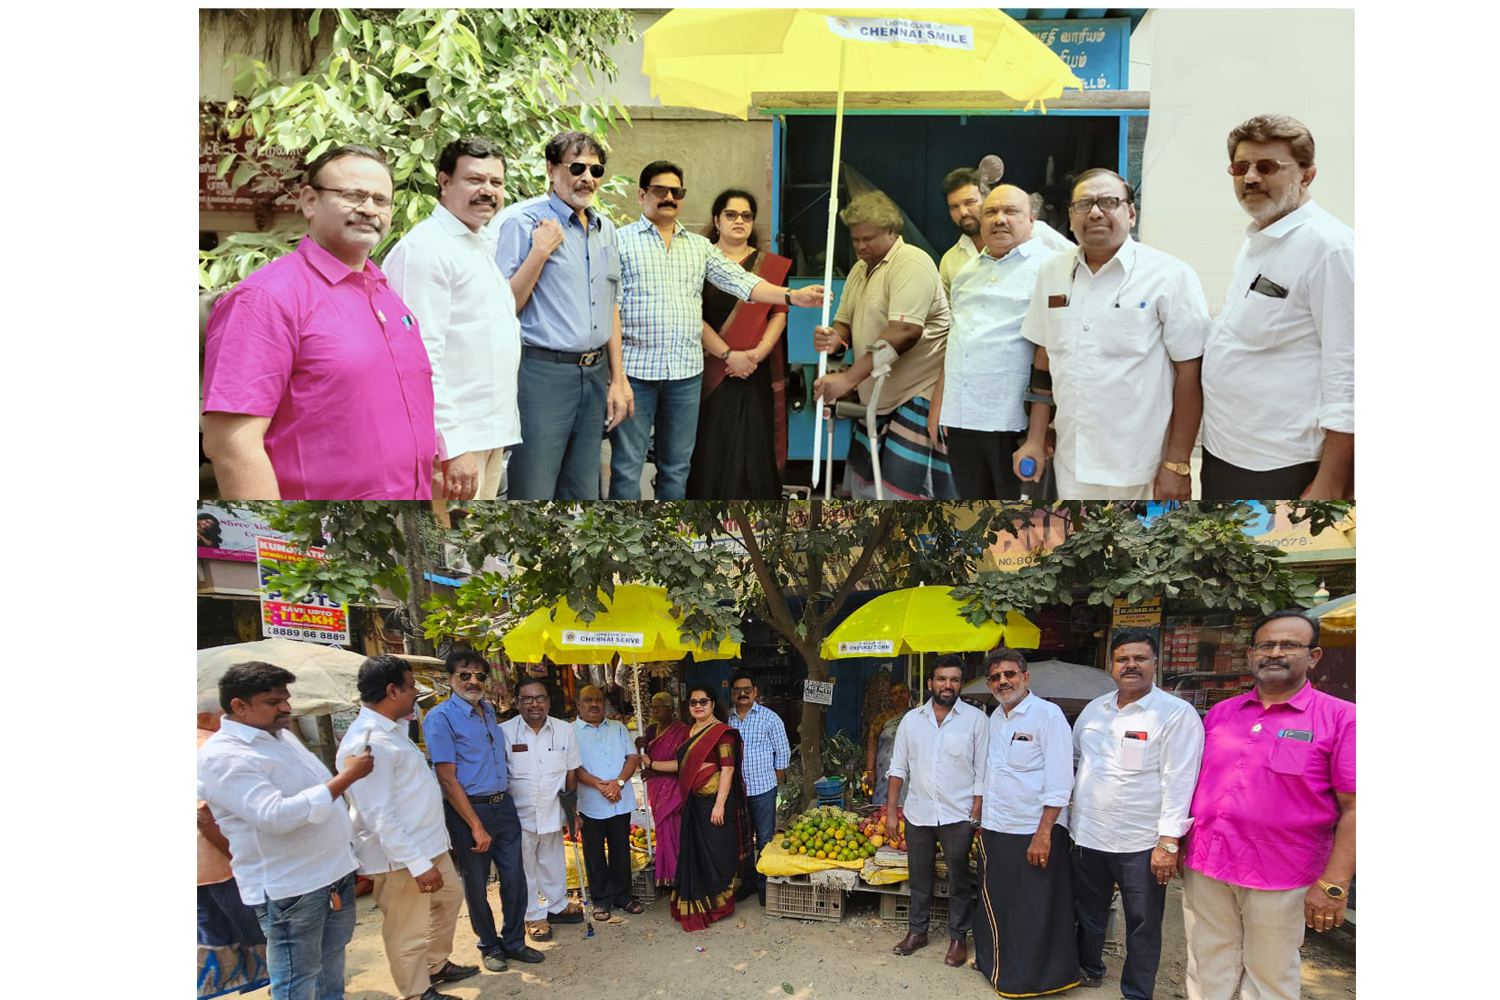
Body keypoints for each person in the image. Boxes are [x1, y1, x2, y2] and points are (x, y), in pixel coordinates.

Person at [202, 144, 439, 500]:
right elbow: (232, 446)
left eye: (381, 200)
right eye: (353, 195)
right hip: (314, 536)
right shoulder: (266, 299)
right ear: (310, 201)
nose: (369, 209)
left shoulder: (386, 295)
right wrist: (278, 543)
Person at [609, 162, 824, 500]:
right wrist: (616, 376)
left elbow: (742, 282)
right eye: (659, 191)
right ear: (641, 195)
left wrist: (791, 296)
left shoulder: (698, 247)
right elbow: (610, 309)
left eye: (676, 192)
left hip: (684, 374)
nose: (668, 197)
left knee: (677, 467)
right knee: (627, 466)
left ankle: (673, 542)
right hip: (637, 373)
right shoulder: (618, 242)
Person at [1182, 610, 1355, 1000]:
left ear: (1313, 657)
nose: (1275, 653)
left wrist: (1334, 885)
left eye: (1290, 645)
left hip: (1282, 873)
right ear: (1251, 654)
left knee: (1270, 976)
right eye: (1266, 645)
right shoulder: (1223, 714)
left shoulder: (1341, 719)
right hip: (1208, 863)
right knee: (1207, 963)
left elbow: (1357, 809)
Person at [1015, 168, 1210, 501]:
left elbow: (1190, 374)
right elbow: (1044, 360)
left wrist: (1177, 464)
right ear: (1071, 218)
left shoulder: (1170, 275)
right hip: (1071, 462)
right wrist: (1035, 438)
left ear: (1130, 213)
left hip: (1142, 468)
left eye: (1108, 202)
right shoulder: (1052, 272)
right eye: (1083, 204)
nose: (1095, 212)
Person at [196, 662, 374, 1000]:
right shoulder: (223, 756)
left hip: (331, 874)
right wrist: (348, 777)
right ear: (239, 705)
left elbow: (312, 795)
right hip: (292, 887)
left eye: (286, 698)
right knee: (297, 979)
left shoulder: (281, 736)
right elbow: (275, 816)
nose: (285, 707)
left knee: (330, 965)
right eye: (273, 701)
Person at [1200, 114, 1354, 501]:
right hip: (1226, 454)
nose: (1251, 177)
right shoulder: (1262, 238)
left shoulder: (1330, 248)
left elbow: (1350, 368)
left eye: (1267, 167)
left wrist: (1331, 481)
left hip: (1285, 467)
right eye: (1241, 167)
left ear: (1307, 175)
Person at [493, 130, 633, 500]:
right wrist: (539, 253)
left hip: (594, 373)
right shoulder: (523, 223)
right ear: (552, 170)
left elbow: (610, 305)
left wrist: (618, 380)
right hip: (542, 374)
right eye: (577, 167)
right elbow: (502, 307)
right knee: (534, 489)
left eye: (595, 169)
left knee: (583, 492)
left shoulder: (606, 230)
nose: (587, 177)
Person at [384, 136, 521, 503]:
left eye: (496, 182)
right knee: (448, 549)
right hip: (453, 447)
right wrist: (452, 446)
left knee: (477, 551)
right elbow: (419, 359)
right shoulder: (426, 249)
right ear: (444, 182)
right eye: (475, 180)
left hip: (488, 435)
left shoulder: (477, 244)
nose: (487, 191)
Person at [1070, 630, 1205, 1000]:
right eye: (1122, 659)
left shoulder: (1175, 715)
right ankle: (1090, 969)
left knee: (1143, 922)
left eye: (1139, 658)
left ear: (1155, 664)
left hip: (1142, 843)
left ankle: (1137, 991)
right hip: (1088, 835)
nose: (1130, 665)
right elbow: (1077, 759)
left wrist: (1168, 842)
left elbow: (1180, 781)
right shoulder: (1094, 710)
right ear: (1110, 666)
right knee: (1088, 912)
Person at [336, 656, 475, 1000]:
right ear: (391, 690)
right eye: (411, 686)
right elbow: (378, 815)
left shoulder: (394, 730)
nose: (415, 693)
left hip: (429, 845)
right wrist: (417, 865)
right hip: (401, 857)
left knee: (450, 899)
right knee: (406, 928)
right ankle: (416, 992)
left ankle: (435, 963)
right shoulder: (370, 742)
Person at [812, 191, 956, 499]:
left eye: (869, 238)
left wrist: (849, 379)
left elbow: (904, 332)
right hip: (877, 396)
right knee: (867, 492)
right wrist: (834, 338)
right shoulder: (859, 270)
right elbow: (844, 324)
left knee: (903, 496)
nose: (861, 246)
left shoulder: (912, 263)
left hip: (918, 393)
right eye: (855, 240)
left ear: (892, 231)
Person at [933, 185, 1061, 500]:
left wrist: (1039, 434)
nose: (999, 219)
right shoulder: (966, 273)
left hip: (1014, 426)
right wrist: (942, 406)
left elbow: (1050, 353)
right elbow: (959, 342)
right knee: (971, 521)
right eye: (991, 212)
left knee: (1018, 528)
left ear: (1032, 219)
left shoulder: (1052, 268)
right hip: (962, 422)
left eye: (1011, 212)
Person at [423, 650, 542, 972]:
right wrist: (475, 825)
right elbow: (447, 779)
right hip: (469, 812)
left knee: (515, 878)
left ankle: (514, 941)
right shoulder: (440, 717)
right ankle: (489, 946)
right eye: (465, 675)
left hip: (503, 805)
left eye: (479, 676)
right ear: (450, 679)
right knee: (476, 884)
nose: (473, 681)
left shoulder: (487, 711)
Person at [973, 648, 1079, 997]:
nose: (1003, 681)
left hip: (1033, 830)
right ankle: (998, 967)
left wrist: (1044, 832)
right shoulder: (994, 718)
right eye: (995, 677)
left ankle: (1036, 979)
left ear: (1025, 677)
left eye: (1010, 674)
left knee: (1035, 908)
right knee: (1002, 903)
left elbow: (1061, 781)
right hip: (997, 827)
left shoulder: (1048, 717)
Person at [685, 189, 794, 498]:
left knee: (755, 448)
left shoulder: (771, 266)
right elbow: (692, 314)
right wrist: (729, 354)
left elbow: (778, 313)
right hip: (711, 371)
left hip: (754, 370)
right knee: (711, 448)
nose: (739, 221)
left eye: (746, 216)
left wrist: (758, 353)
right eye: (731, 215)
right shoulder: (698, 261)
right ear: (716, 220)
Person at [885, 656, 987, 967]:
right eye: (942, 679)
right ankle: (918, 932)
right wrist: (891, 811)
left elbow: (983, 772)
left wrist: (977, 814)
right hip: (918, 812)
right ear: (931, 684)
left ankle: (958, 937)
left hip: (959, 815)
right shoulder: (912, 720)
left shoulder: (976, 720)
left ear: (960, 684)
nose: (948, 685)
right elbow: (898, 767)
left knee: (959, 878)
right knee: (919, 876)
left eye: (954, 680)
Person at [645, 685, 755, 931]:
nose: (698, 706)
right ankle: (698, 903)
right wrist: (652, 763)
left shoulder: (722, 733)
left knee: (717, 853)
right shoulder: (690, 732)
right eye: (693, 702)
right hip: (693, 804)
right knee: (696, 855)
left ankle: (719, 905)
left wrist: (719, 805)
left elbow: (728, 769)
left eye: (703, 702)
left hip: (715, 803)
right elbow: (680, 765)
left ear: (713, 704)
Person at [498, 678, 586, 942]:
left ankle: (557, 905)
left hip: (552, 809)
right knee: (524, 867)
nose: (534, 704)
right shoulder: (504, 732)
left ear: (548, 701)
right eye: (527, 699)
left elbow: (571, 772)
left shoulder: (564, 730)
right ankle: (532, 915)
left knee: (553, 861)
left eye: (540, 698)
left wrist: (572, 812)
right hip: (517, 815)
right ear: (517, 702)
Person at [197, 693, 269, 999]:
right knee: (254, 930)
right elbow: (203, 815)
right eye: (223, 716)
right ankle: (275, 985)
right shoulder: (208, 749)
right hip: (220, 863)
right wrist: (235, 853)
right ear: (205, 718)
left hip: (199, 869)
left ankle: (221, 986)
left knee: (211, 933)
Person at [571, 684, 644, 919]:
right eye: (588, 701)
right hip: (590, 803)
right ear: (579, 705)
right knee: (594, 853)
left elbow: (632, 757)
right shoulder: (570, 731)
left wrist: (619, 783)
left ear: (605, 704)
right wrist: (598, 785)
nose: (594, 705)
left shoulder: (618, 727)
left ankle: (623, 896)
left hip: (619, 801)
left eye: (598, 700)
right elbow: (572, 766)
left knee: (621, 851)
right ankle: (601, 899)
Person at [725, 671, 791, 905]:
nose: (742, 694)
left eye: (747, 689)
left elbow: (782, 752)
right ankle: (750, 881)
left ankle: (765, 884)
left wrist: (774, 779)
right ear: (732, 694)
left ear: (755, 691)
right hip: (736, 792)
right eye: (737, 690)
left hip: (763, 789)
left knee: (764, 839)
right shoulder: (726, 719)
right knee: (742, 840)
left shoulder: (770, 718)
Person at [637, 690, 691, 886]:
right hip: (656, 789)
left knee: (675, 831)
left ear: (671, 709)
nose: (655, 711)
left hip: (673, 789)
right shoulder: (650, 731)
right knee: (661, 831)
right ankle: (667, 876)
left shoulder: (682, 730)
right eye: (653, 707)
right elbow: (643, 761)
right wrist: (639, 746)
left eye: (659, 707)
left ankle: (680, 875)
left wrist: (655, 770)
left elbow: (684, 763)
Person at [937, 168, 985, 297]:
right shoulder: (949, 260)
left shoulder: (1024, 240)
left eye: (970, 202)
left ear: (987, 200)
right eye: (954, 207)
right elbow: (946, 312)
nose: (963, 212)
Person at [864, 681, 910, 806]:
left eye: (902, 692)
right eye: (895, 694)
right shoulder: (882, 719)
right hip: (884, 769)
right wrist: (870, 770)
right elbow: (872, 742)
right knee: (883, 805)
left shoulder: (915, 716)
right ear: (891, 698)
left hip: (909, 769)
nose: (899, 696)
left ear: (909, 694)